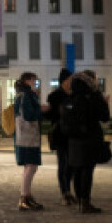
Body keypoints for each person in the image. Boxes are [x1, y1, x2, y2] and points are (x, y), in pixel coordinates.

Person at [60, 70, 110, 213]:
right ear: (90, 81)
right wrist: (105, 103)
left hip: (73, 139)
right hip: (90, 138)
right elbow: (105, 117)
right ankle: (85, 202)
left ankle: (80, 201)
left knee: (77, 170)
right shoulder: (93, 96)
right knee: (87, 171)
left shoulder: (71, 96)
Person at [13, 72, 44, 211]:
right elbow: (29, 115)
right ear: (27, 81)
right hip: (27, 137)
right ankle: (24, 197)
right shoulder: (26, 95)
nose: (35, 83)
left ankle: (27, 196)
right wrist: (41, 110)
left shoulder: (23, 94)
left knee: (30, 166)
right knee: (31, 166)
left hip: (25, 137)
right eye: (34, 81)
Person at [45, 69, 75, 205]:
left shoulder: (75, 95)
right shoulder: (54, 96)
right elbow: (50, 115)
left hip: (73, 134)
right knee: (63, 163)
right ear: (63, 81)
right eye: (69, 79)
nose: (71, 82)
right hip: (60, 133)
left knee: (72, 164)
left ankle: (68, 190)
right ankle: (65, 192)